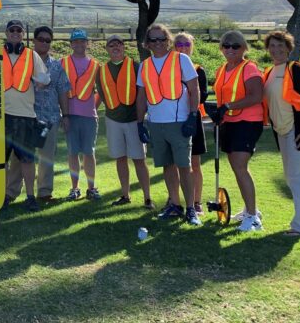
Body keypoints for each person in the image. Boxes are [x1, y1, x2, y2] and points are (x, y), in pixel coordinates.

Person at [136, 23, 201, 226]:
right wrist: (140, 123)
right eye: (153, 40)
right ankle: (174, 204)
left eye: (162, 39)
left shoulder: (181, 59)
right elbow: (141, 96)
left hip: (179, 121)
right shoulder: (145, 65)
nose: (158, 43)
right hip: (156, 123)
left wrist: (192, 115)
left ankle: (191, 208)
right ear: (147, 43)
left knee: (184, 166)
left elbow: (194, 89)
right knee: (167, 166)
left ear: (168, 40)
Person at [262, 30, 300, 237]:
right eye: (272, 46)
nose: (276, 50)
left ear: (289, 48)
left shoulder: (295, 70)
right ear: (268, 49)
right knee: (295, 178)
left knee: (298, 179)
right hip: (282, 132)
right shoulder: (269, 72)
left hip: (299, 133)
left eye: (281, 46)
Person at [6, 25, 70, 204]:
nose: (44, 43)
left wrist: (66, 115)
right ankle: (11, 192)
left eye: (47, 40)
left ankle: (44, 192)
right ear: (33, 40)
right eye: (40, 39)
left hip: (48, 118)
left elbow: (63, 91)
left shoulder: (56, 66)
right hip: (24, 116)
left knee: (46, 157)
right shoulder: (21, 60)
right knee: (19, 157)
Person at [210, 30, 264, 232]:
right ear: (221, 48)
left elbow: (256, 96)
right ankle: (251, 210)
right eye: (226, 45)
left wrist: (228, 106)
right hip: (230, 122)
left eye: (235, 46)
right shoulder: (222, 69)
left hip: (248, 122)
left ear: (243, 48)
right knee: (237, 168)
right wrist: (219, 112)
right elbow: (223, 97)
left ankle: (253, 217)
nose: (230, 49)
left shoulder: (249, 68)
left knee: (240, 166)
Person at [96, 34, 153, 209]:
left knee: (138, 159)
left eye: (119, 44)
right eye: (111, 45)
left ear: (123, 47)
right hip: (113, 119)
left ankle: (147, 198)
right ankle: (125, 195)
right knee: (120, 158)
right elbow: (102, 93)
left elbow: (142, 93)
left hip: (133, 120)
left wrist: (140, 118)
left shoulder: (135, 66)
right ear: (106, 49)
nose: (115, 47)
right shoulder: (101, 70)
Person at [1, 20, 50, 212]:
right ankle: (1, 195)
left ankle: (30, 197)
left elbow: (44, 78)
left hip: (25, 115)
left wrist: (41, 81)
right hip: (1, 114)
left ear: (23, 34)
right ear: (6, 32)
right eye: (11, 30)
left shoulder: (32, 55)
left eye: (18, 30)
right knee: (0, 161)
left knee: (27, 160)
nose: (15, 33)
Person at [162, 32, 208, 216]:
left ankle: (196, 202)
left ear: (192, 46)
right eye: (179, 44)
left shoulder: (198, 69)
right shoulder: (167, 68)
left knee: (193, 163)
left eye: (186, 44)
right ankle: (173, 200)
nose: (182, 47)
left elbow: (202, 95)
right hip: (171, 120)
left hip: (192, 119)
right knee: (172, 163)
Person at [62, 28, 101, 202]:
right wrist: (64, 114)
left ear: (87, 43)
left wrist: (94, 106)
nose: (79, 44)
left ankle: (91, 188)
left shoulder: (95, 65)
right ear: (71, 44)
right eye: (75, 41)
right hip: (70, 115)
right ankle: (75, 188)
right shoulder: (62, 63)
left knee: (89, 152)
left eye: (82, 41)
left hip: (89, 116)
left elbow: (102, 89)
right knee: (72, 153)